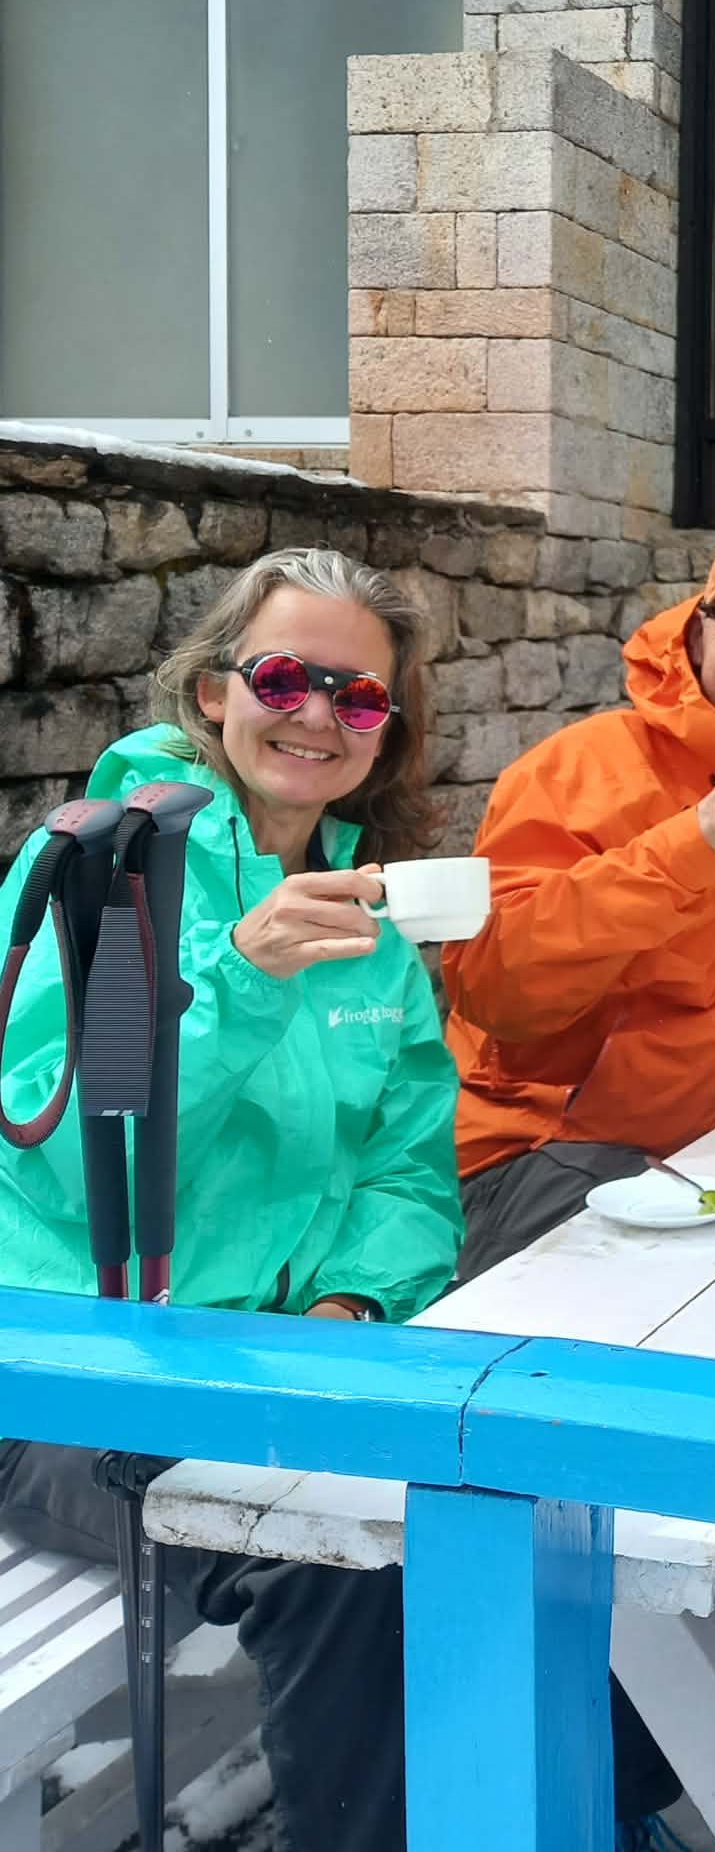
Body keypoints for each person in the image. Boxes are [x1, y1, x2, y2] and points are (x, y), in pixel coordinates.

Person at [0, 547, 462, 1852]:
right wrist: (243, 983)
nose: (317, 715)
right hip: (66, 1368)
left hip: (269, 1359)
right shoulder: (105, 867)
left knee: (518, 1495)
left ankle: (583, 1804)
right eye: (283, 677)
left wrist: (353, 1301)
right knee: (349, 1551)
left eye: (357, 696)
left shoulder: (372, 911)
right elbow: (66, 1157)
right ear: (213, 691)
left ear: (387, 727)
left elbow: (407, 1169)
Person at [442, 523, 715, 1277]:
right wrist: (694, 843)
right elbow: (495, 989)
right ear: (699, 632)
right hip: (546, 1152)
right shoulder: (575, 769)